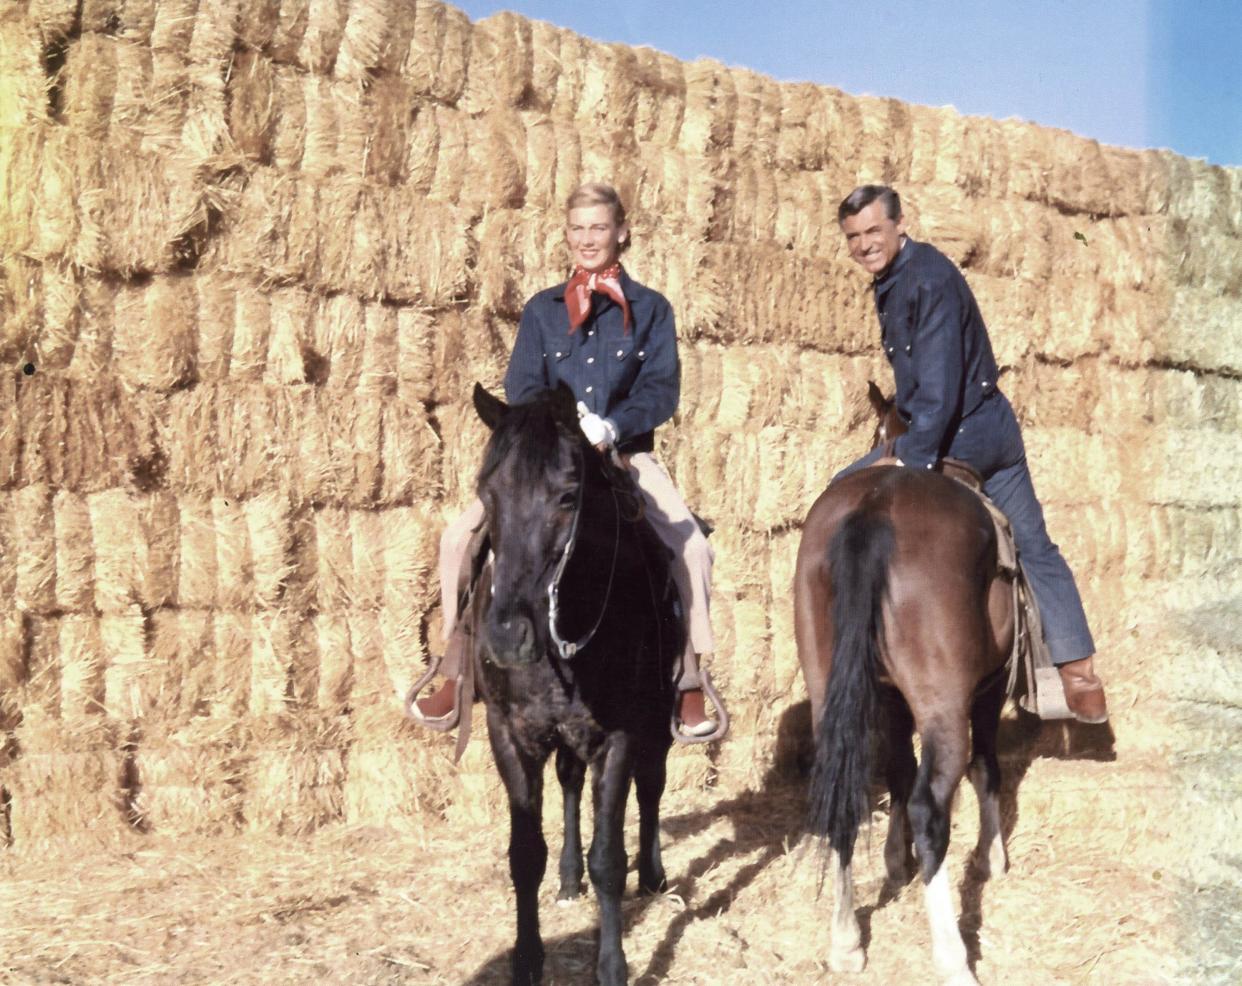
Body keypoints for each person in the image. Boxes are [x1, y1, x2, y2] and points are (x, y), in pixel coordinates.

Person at [412, 182, 725, 742]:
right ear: (566, 235)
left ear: (621, 233)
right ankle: (454, 664)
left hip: (624, 455)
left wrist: (612, 426)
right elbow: (523, 385)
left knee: (693, 547)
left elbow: (661, 390)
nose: (587, 239)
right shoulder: (542, 310)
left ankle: (691, 677)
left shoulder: (653, 309)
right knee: (458, 539)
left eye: (598, 228)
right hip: (552, 461)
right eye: (577, 228)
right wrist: (559, 429)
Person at [833, 184, 1108, 723]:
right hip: (952, 422)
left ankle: (1075, 670)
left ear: (899, 224)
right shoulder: (894, 278)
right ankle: (1078, 673)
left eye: (873, 231)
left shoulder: (928, 279)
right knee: (1032, 545)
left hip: (971, 432)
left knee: (1030, 543)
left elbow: (938, 389)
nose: (864, 244)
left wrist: (909, 459)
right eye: (853, 237)